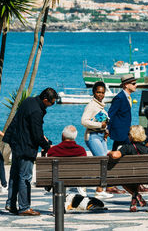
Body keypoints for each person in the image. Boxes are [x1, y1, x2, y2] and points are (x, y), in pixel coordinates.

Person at [3, 87, 58, 216]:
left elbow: (22, 123)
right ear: (45, 100)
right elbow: (37, 134)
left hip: (16, 142)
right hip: (25, 146)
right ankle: (24, 207)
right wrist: (47, 146)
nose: (51, 105)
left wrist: (44, 140)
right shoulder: (37, 111)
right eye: (51, 103)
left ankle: (10, 203)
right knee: (25, 177)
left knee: (15, 175)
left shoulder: (28, 101)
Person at [81, 81, 124, 198]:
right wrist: (100, 126)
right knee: (103, 161)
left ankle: (100, 189)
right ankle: (94, 187)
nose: (100, 95)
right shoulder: (91, 105)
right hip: (92, 136)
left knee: (106, 161)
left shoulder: (101, 105)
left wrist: (106, 131)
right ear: (93, 92)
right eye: (98, 92)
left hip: (101, 136)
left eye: (102, 92)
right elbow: (84, 121)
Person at [109, 125, 148, 212]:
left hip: (130, 177)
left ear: (132, 136)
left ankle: (136, 195)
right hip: (146, 177)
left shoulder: (127, 147)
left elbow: (114, 155)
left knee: (122, 180)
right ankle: (134, 202)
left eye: (129, 134)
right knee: (135, 179)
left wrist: (109, 153)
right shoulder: (147, 149)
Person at [47, 125, 87, 197]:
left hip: (57, 179)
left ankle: (57, 202)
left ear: (63, 135)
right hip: (77, 178)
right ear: (75, 137)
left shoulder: (53, 150)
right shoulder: (81, 150)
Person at [108, 74, 137, 151]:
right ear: (126, 85)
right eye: (133, 84)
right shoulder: (119, 98)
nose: (136, 85)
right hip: (120, 133)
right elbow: (111, 114)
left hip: (125, 132)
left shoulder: (127, 97)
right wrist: (107, 130)